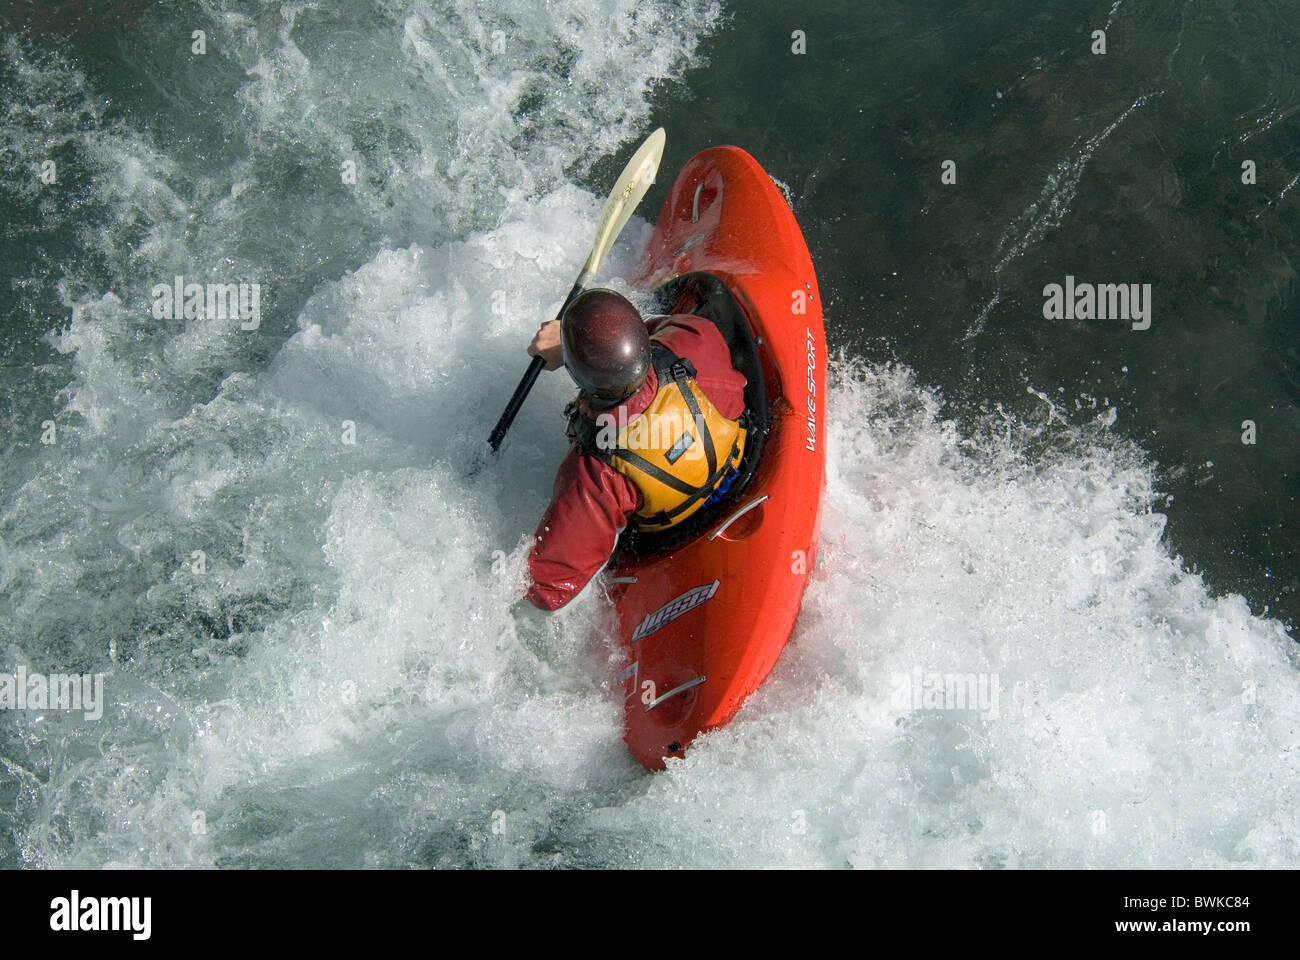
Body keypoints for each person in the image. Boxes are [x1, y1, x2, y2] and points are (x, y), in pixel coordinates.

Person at [524, 288, 748, 610]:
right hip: (737, 461)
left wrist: (570, 348)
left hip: (673, 532)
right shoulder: (694, 340)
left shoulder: (595, 473)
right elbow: (655, 330)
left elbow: (549, 589)